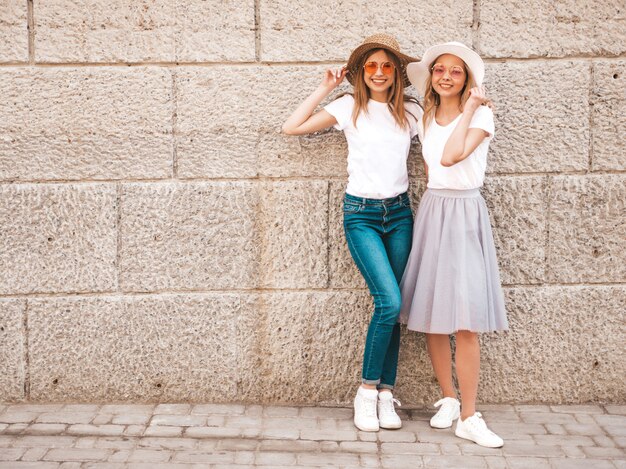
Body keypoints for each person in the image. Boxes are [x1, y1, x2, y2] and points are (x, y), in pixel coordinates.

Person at [282, 34, 423, 432]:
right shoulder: (348, 106)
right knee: (389, 301)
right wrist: (326, 86)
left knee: (394, 310)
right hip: (360, 214)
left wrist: (475, 111)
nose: (379, 73)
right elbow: (292, 127)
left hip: (399, 215)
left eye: (387, 66)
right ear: (360, 73)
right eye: (371, 66)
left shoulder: (410, 112)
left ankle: (385, 394)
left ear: (396, 73)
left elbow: (444, 138)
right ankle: (365, 392)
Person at [400, 42, 509, 448]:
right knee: (433, 309)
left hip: (465, 214)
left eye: (456, 71)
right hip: (433, 210)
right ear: (432, 77)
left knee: (465, 318)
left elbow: (451, 157)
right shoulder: (424, 116)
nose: (445, 76)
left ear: (467, 80)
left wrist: (466, 110)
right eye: (439, 70)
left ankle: (469, 414)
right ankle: (447, 398)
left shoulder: (481, 115)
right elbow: (430, 170)